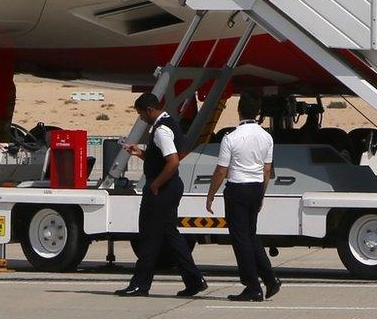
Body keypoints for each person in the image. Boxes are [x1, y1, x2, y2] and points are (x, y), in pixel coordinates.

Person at [115, 93, 209, 298]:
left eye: (141, 114)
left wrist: (156, 184)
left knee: (149, 236)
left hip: (162, 188)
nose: (141, 118)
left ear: (149, 110)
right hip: (168, 187)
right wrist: (140, 153)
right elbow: (163, 157)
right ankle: (194, 280)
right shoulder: (168, 123)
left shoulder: (161, 130)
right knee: (168, 235)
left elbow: (173, 161)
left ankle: (140, 284)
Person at [204, 93, 278, 302]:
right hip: (256, 188)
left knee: (241, 239)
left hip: (237, 189)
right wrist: (262, 194)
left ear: (239, 111)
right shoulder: (266, 137)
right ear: (258, 113)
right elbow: (266, 170)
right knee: (251, 235)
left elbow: (221, 170)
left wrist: (210, 195)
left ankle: (252, 285)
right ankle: (270, 278)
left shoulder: (231, 137)